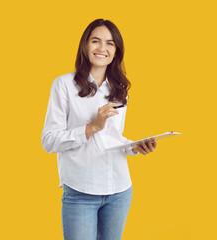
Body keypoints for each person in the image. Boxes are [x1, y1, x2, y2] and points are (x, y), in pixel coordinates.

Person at [41, 18, 157, 240]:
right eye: (96, 41)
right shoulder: (63, 85)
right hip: (81, 191)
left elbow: (112, 139)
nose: (102, 48)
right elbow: (49, 141)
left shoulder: (120, 89)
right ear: (85, 46)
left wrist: (135, 147)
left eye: (110, 43)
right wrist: (92, 127)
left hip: (120, 190)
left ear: (116, 51)